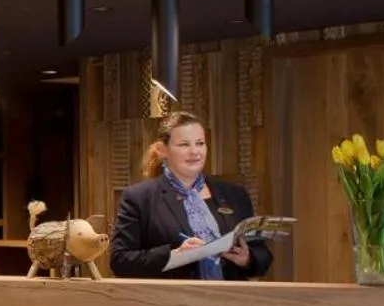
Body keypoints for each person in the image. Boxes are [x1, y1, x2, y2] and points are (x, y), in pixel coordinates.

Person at [110, 111, 272, 281]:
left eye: (200, 143)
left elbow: (262, 256)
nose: (195, 151)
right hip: (171, 297)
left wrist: (247, 259)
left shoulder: (235, 195)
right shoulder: (139, 198)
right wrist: (174, 256)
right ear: (163, 150)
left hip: (229, 296)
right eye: (184, 145)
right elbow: (120, 261)